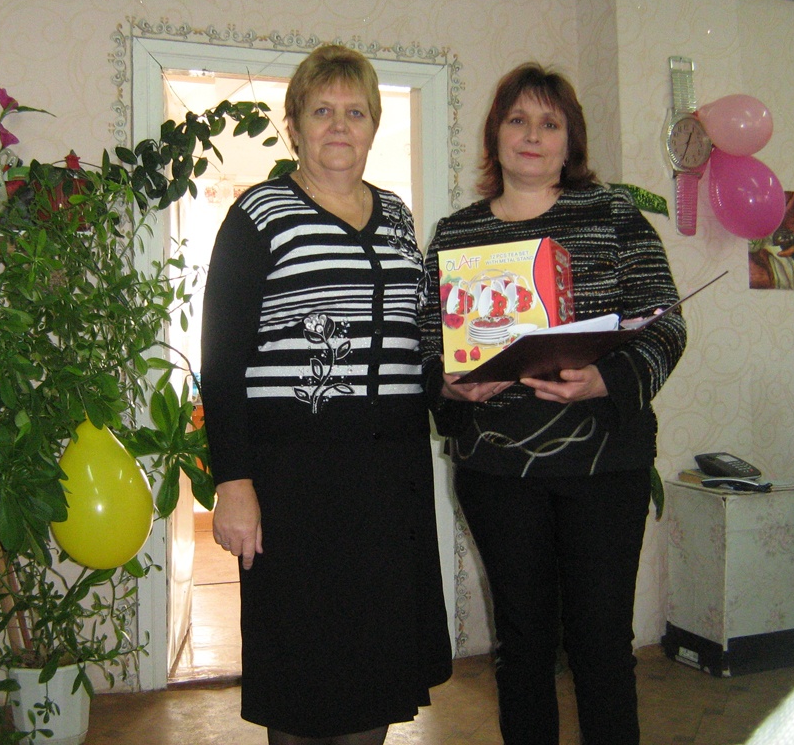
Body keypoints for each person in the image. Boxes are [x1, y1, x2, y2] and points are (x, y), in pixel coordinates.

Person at [419, 63, 687, 745]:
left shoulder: (613, 216)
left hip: (605, 468)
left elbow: (666, 325)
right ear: (495, 134)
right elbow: (427, 347)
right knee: (522, 646)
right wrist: (448, 384)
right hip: (497, 473)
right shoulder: (455, 234)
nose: (532, 135)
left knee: (602, 644)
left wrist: (605, 380)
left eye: (549, 123)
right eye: (518, 120)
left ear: (571, 142)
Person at [200, 44, 452, 745]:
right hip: (295, 481)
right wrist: (234, 482)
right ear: (294, 126)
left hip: (389, 477)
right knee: (302, 671)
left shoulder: (398, 216)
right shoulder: (259, 214)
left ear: (373, 127)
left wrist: (462, 378)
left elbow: (418, 334)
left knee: (376, 664)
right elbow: (221, 359)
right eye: (321, 111)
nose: (339, 126)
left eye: (355, 112)